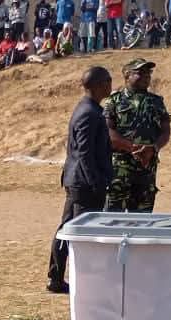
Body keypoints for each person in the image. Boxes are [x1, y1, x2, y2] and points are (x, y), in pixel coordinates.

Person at [48, 66, 113, 292]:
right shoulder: (88, 112)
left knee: (68, 227)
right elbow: (84, 153)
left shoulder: (91, 109)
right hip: (84, 182)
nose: (110, 84)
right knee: (78, 232)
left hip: (80, 179)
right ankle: (75, 279)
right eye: (107, 81)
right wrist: (95, 182)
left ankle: (56, 277)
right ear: (97, 85)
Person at [104, 59, 171, 212]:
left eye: (148, 73)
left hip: (146, 169)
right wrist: (134, 148)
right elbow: (108, 131)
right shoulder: (114, 101)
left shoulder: (156, 102)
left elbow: (165, 130)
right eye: (140, 72)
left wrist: (153, 148)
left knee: (142, 218)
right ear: (127, 76)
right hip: (120, 169)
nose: (146, 76)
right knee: (113, 218)